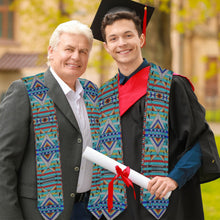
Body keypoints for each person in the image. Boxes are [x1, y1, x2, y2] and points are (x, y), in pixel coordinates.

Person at [87, 0, 220, 219]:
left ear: (141, 38)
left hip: (166, 204)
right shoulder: (104, 97)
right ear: (107, 46)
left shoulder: (172, 86)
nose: (121, 43)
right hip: (118, 210)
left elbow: (199, 142)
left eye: (128, 35)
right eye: (113, 38)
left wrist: (174, 178)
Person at [0, 20, 98, 220]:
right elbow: (4, 162)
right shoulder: (26, 91)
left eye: (83, 51)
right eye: (69, 49)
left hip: (88, 210)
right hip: (40, 213)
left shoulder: (92, 94)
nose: (75, 57)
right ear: (51, 51)